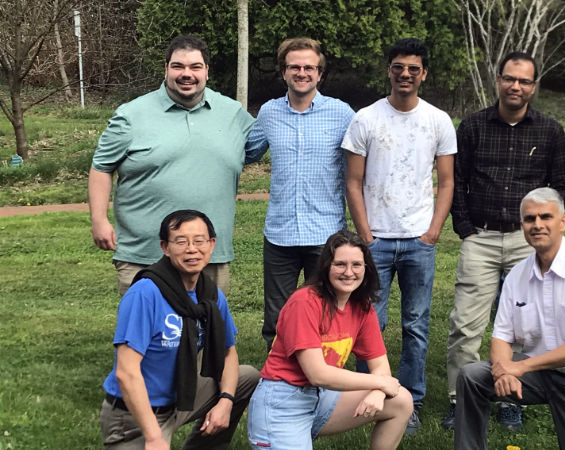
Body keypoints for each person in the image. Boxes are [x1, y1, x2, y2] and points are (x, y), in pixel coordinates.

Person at [443, 51, 565, 431]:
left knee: (524, 324)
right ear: (498, 80)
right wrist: (465, 226)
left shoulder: (549, 131)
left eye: (524, 81)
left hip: (526, 241)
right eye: (509, 79)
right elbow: (458, 181)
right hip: (480, 237)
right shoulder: (472, 126)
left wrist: (542, 234)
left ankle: (512, 396)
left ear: (533, 86)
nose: (516, 86)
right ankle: (459, 397)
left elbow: (561, 187)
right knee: (466, 324)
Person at [454, 188, 565, 450]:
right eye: (529, 219)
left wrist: (520, 367)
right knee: (472, 376)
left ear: (563, 221)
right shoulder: (517, 276)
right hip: (540, 375)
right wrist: (503, 370)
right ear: (522, 225)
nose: (537, 225)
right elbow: (501, 336)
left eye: (545, 217)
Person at [342, 37, 456, 435]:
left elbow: (446, 181)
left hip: (418, 242)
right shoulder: (366, 119)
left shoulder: (438, 120)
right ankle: (367, 399)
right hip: (376, 241)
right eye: (398, 67)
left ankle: (412, 401)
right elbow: (353, 183)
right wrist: (366, 236)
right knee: (369, 321)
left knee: (416, 325)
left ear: (424, 73)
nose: (405, 74)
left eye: (413, 68)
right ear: (388, 70)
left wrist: (433, 232)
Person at [89, 34, 255, 296]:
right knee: (145, 333)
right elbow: (101, 167)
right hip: (144, 254)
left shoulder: (233, 114)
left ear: (207, 72)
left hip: (209, 254)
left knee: (208, 330)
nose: (186, 74)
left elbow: (267, 144)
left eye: (195, 67)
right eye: (178, 66)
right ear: (166, 69)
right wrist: (98, 220)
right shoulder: (131, 115)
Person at [99, 210, 259, 449]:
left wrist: (225, 402)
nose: (192, 249)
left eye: (199, 241)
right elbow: (126, 372)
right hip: (136, 415)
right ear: (165, 247)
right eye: (181, 242)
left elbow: (228, 353)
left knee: (247, 378)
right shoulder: (145, 293)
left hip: (182, 397)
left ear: (212, 244)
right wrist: (153, 437)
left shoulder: (210, 295)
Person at [247, 230, 414, 449]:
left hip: (322, 397)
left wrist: (378, 392)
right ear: (326, 267)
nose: (348, 272)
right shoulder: (305, 302)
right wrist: (380, 383)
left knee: (400, 400)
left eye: (356, 264)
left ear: (366, 268)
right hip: (282, 402)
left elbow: (380, 365)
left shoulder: (361, 307)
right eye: (340, 264)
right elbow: (318, 374)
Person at [245, 37, 355, 350]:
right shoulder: (268, 113)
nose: (302, 72)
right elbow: (246, 152)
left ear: (320, 74)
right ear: (283, 72)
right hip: (280, 234)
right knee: (278, 319)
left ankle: (324, 387)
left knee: (325, 315)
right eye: (295, 66)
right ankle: (278, 385)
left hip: (326, 234)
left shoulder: (342, 114)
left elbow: (362, 164)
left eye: (309, 67)